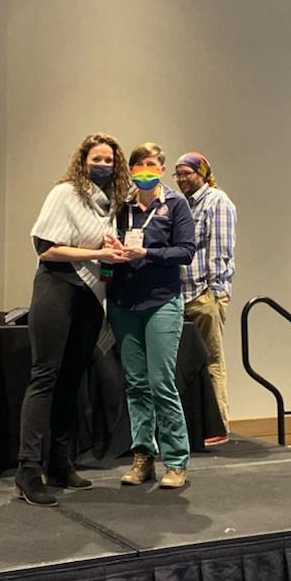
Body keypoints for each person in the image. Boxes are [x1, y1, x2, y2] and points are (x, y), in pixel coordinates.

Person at [14, 133, 132, 507]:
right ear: (83, 161)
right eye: (97, 159)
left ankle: (60, 464)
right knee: (45, 377)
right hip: (57, 286)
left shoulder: (110, 206)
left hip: (90, 294)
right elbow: (46, 249)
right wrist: (95, 253)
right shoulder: (64, 194)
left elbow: (101, 252)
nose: (103, 166)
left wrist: (111, 254)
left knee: (71, 381)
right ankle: (27, 470)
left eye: (109, 161)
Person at [108, 142, 196, 488]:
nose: (145, 170)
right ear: (131, 170)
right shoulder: (122, 206)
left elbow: (186, 251)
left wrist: (147, 252)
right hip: (124, 304)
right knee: (136, 384)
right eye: (139, 165)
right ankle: (143, 456)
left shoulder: (176, 204)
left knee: (161, 382)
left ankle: (176, 460)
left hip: (162, 302)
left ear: (161, 169)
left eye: (152, 164)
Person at [173, 152, 236, 444]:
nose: (182, 179)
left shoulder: (217, 202)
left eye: (187, 173)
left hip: (204, 294)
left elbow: (220, 250)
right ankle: (193, 427)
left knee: (211, 359)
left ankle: (218, 426)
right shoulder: (182, 204)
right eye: (178, 174)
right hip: (180, 294)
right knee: (186, 362)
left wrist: (216, 292)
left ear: (203, 173)